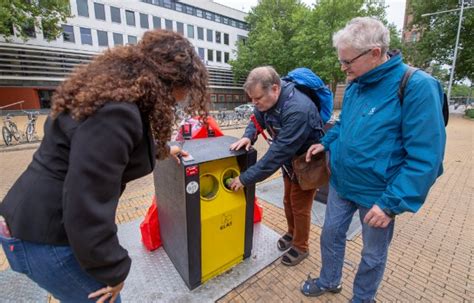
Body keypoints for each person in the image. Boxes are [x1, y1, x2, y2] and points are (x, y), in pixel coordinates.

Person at [0, 30, 208, 302]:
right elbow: (86, 204)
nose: (183, 100)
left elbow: (122, 148)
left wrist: (166, 150)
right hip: (46, 235)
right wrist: (114, 269)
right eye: (186, 91)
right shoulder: (116, 112)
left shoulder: (119, 98)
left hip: (40, 225)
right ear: (171, 81)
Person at [300, 17, 446, 302]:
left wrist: (391, 204)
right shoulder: (356, 84)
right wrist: (324, 143)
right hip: (342, 184)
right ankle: (330, 280)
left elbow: (426, 159)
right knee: (330, 235)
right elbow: (343, 124)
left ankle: (363, 298)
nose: (343, 68)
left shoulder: (417, 86)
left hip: (379, 195)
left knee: (372, 255)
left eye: (347, 61)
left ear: (375, 53)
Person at [229, 66, 324, 266]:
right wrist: (248, 136)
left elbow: (277, 154)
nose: (255, 103)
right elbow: (257, 118)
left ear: (275, 88)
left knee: (300, 206)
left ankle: (301, 246)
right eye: (252, 99)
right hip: (290, 162)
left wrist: (245, 178)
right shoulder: (267, 102)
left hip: (306, 162)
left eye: (258, 99)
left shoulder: (298, 109)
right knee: (288, 200)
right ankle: (292, 233)